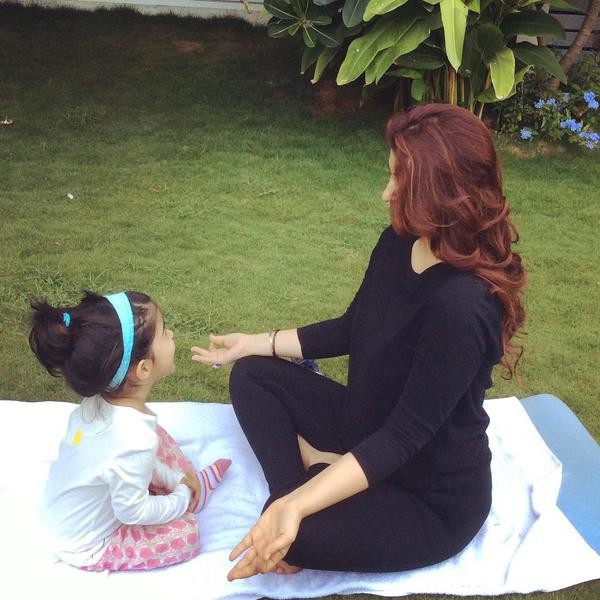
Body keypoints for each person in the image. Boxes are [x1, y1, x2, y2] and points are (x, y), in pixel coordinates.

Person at [191, 103, 526, 581]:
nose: (386, 192)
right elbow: (351, 328)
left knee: (295, 533)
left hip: (427, 495)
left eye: (400, 182)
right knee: (252, 374)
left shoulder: (462, 306)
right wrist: (254, 343)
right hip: (363, 428)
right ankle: (303, 484)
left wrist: (296, 509)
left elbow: (403, 437)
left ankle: (305, 492)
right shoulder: (400, 241)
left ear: (443, 196)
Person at [29, 290, 232, 571]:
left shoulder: (98, 407)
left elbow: (121, 457)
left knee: (156, 435)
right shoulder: (133, 439)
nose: (171, 334)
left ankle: (189, 483)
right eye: (164, 332)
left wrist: (174, 479)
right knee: (187, 534)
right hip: (87, 544)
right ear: (144, 369)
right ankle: (193, 494)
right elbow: (133, 511)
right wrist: (181, 497)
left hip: (65, 509)